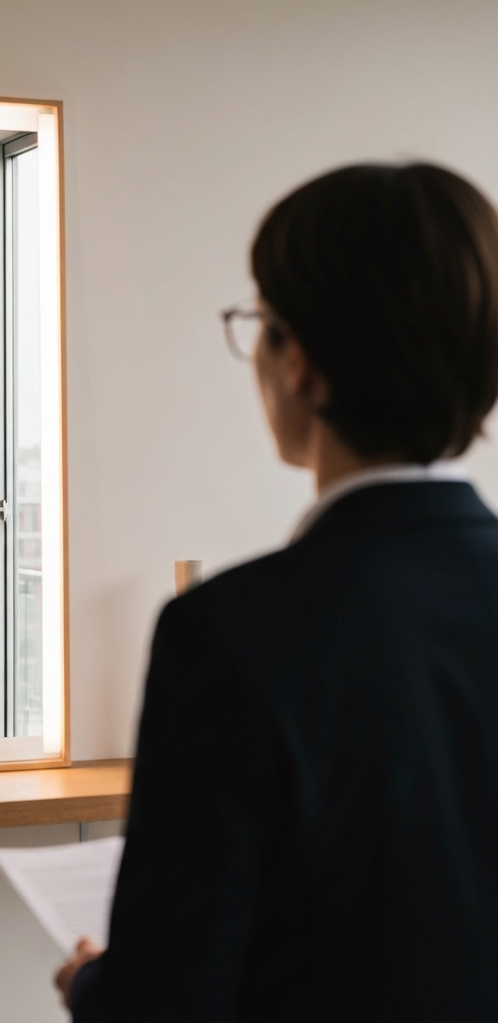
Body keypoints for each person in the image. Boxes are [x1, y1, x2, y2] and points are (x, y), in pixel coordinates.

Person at [56, 164, 498, 1021]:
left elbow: (168, 1001)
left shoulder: (226, 634)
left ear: (299, 364)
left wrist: (91, 988)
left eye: (260, 323)